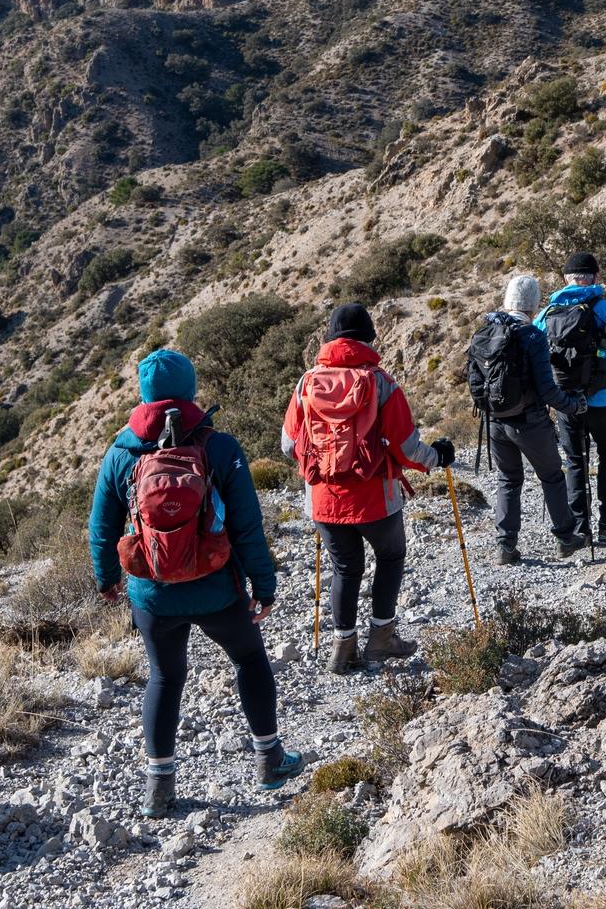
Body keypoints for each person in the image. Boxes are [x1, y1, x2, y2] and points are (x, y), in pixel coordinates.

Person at [89, 348, 301, 818]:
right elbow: (247, 525)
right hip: (217, 586)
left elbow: (102, 526)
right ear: (190, 389)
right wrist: (263, 587)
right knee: (248, 658)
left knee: (165, 677)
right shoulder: (219, 447)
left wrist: (107, 580)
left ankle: (158, 787)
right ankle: (269, 760)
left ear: (143, 393)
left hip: (152, 592)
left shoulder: (121, 452)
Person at [282, 302, 452, 674]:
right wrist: (437, 457)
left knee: (345, 569)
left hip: (324, 500)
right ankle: (382, 640)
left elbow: (287, 443)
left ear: (329, 339)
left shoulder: (305, 384)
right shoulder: (381, 383)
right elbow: (408, 448)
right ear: (369, 339)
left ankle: (343, 650)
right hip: (375, 497)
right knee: (390, 557)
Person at [469, 274, 591, 565]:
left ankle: (505, 546)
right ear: (533, 305)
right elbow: (548, 391)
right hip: (529, 421)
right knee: (551, 476)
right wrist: (574, 406)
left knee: (508, 479)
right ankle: (565, 538)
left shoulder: (484, 332)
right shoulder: (532, 336)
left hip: (495, 421)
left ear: (507, 300)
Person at [536, 252, 606, 543]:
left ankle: (579, 529)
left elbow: (532, 355)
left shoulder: (546, 315)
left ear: (564, 280)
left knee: (575, 461)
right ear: (596, 277)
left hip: (565, 403)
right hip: (605, 400)